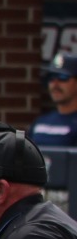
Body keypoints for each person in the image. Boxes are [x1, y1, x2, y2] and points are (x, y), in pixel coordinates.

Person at [32, 54, 77, 209]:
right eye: (51, 78)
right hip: (38, 197)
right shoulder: (41, 122)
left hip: (68, 200)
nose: (55, 84)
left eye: (63, 77)